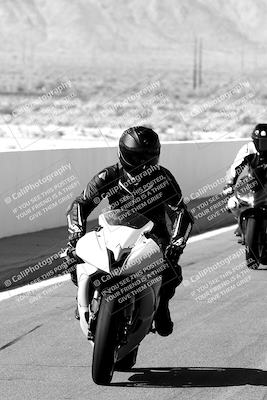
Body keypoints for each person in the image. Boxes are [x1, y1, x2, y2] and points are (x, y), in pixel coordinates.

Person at [66, 126, 194, 336]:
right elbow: (81, 203)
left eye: (148, 158)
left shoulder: (163, 178)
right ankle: (83, 296)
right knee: (73, 257)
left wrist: (176, 244)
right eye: (137, 158)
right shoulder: (108, 175)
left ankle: (161, 307)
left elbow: (181, 212)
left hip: (152, 236)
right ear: (123, 154)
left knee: (171, 270)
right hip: (114, 231)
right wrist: (75, 236)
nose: (143, 164)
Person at [223, 123, 267, 237]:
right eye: (261, 141)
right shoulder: (248, 148)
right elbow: (236, 167)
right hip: (252, 181)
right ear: (255, 141)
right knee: (232, 204)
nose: (264, 145)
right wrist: (229, 184)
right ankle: (240, 221)